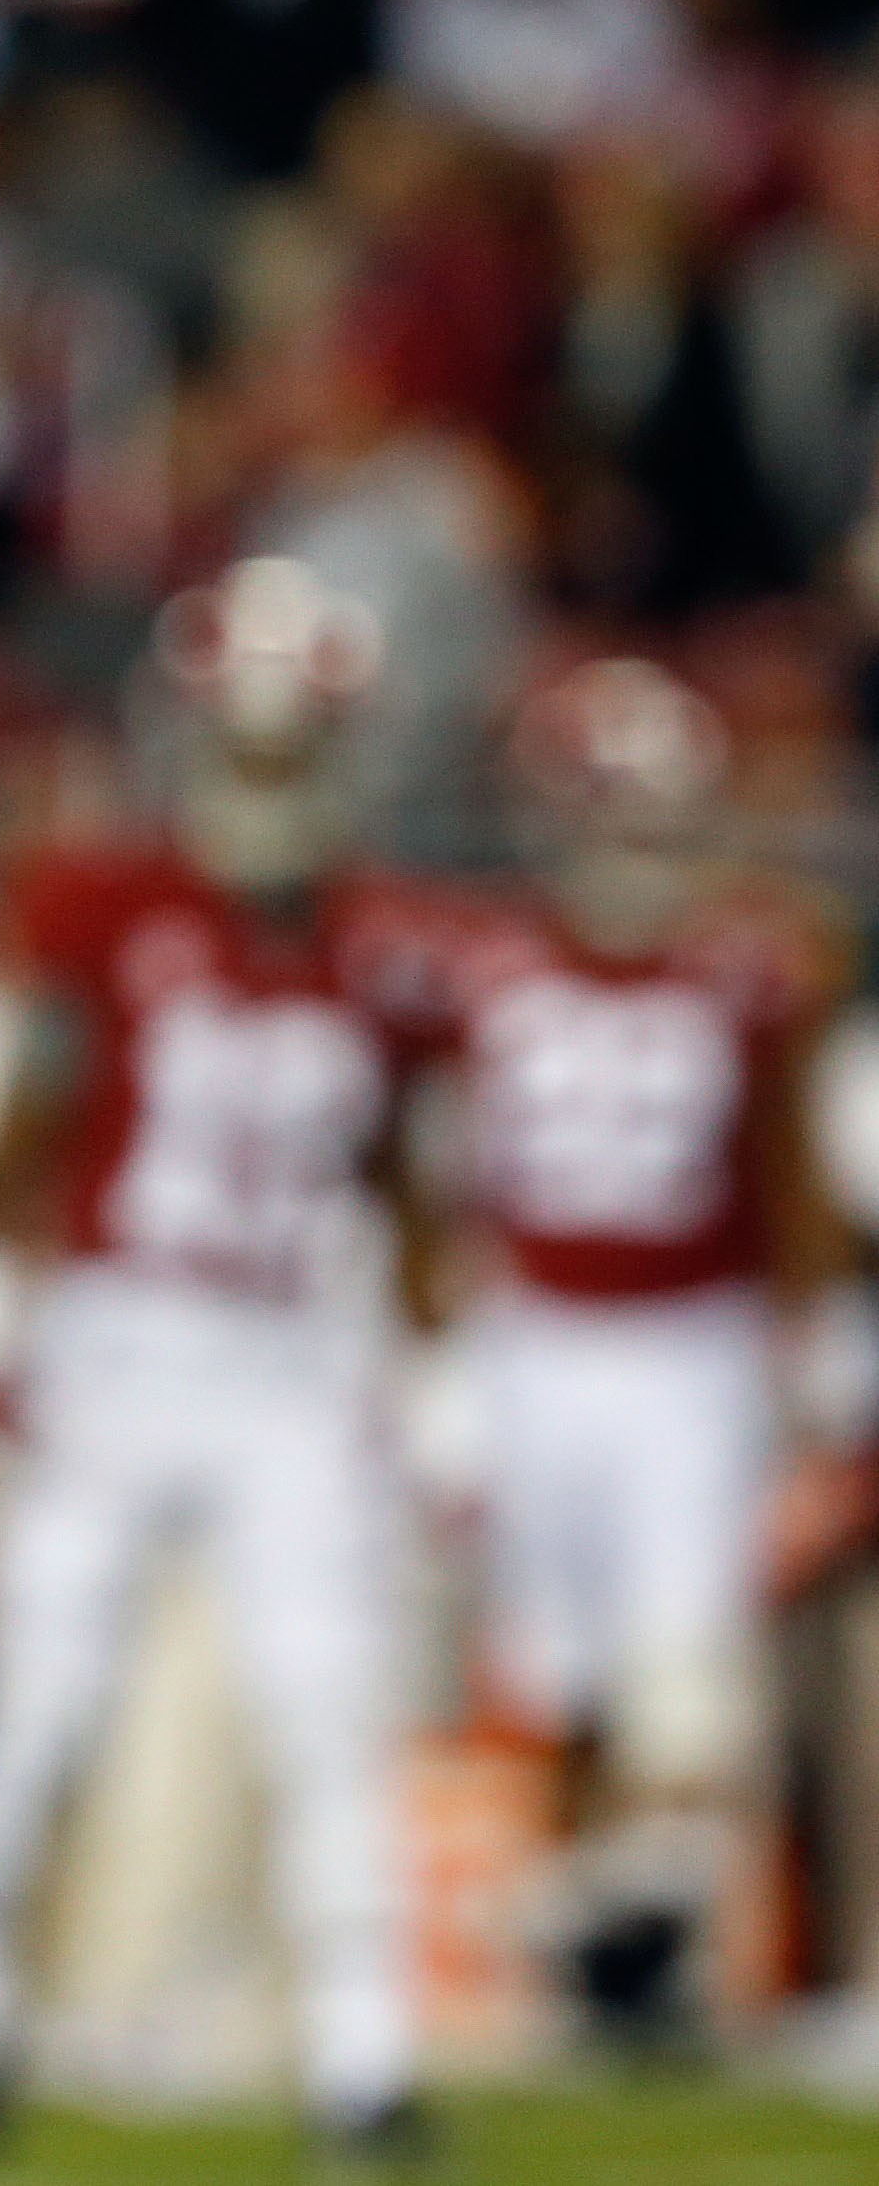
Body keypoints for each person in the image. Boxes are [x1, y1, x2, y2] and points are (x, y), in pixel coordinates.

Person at [0, 558, 439, 2165]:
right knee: (37, 1702)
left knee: (321, 1707)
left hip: (284, 1358)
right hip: (118, 1340)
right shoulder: (94, 904)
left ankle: (362, 2058)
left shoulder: (380, 941)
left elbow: (396, 1181)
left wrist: (428, 1351)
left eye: (291, 742)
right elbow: (26, 1119)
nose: (266, 773)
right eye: (247, 738)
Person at [435, 658, 846, 2050]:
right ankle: (587, 1960)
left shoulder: (752, 964)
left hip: (688, 1343)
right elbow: (437, 1168)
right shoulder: (482, 962)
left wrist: (812, 1343)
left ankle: (653, 1941)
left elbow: (785, 1169)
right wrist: (433, 1332)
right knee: (556, 1673)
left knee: (685, 1666)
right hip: (535, 1336)